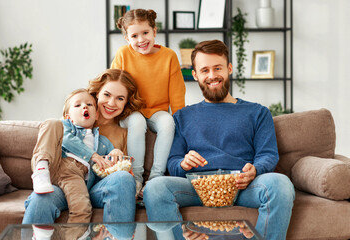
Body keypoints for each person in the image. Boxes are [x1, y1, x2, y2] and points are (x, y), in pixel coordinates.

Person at [143, 40, 295, 240]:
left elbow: (267, 154)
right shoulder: (182, 117)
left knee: (281, 184)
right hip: (197, 187)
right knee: (155, 188)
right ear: (195, 75)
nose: (212, 76)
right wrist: (183, 163)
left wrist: (255, 170)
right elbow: (173, 163)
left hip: (242, 186)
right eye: (204, 70)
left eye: (217, 68)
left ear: (229, 68)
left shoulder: (257, 112)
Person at [23, 69, 144, 227]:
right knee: (41, 198)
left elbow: (121, 172)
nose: (111, 103)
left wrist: (117, 157)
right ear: (97, 94)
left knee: (123, 179)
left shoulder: (123, 134)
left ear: (126, 102)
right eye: (106, 95)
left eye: (120, 98)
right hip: (61, 180)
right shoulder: (73, 118)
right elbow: (55, 137)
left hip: (94, 187)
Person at [112, 9, 186, 198]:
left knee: (168, 122)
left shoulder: (169, 56)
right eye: (134, 35)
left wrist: (183, 125)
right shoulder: (123, 54)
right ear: (127, 38)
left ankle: (154, 178)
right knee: (137, 121)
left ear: (154, 31)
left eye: (145, 33)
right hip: (130, 111)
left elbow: (177, 94)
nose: (141, 40)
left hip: (156, 111)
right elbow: (112, 84)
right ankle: (136, 178)